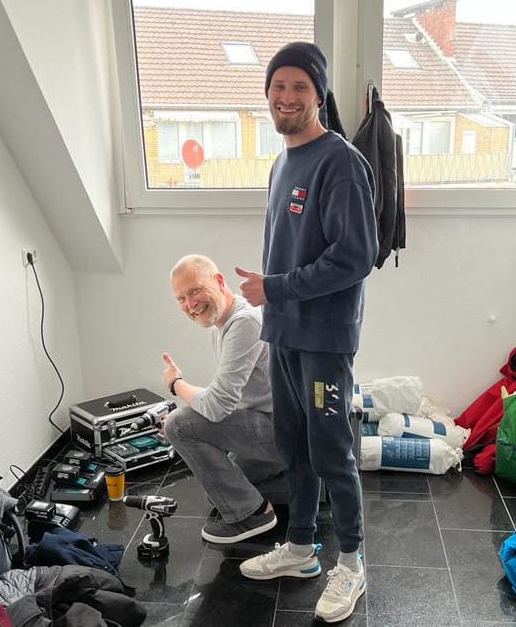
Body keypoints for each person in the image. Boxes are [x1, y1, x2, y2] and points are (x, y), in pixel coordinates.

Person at [234, 41, 379, 624]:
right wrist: (274, 298)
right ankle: (299, 547)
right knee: (292, 445)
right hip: (285, 332)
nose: (287, 97)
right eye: (278, 86)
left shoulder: (340, 162)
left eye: (299, 87)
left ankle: (352, 562)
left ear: (319, 95)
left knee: (330, 450)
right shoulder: (282, 163)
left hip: (323, 337)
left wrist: (275, 287)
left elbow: (355, 257)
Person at [159, 254, 286, 544]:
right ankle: (295, 478)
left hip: (282, 431)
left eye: (194, 291)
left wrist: (175, 384)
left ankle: (253, 515)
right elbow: (228, 397)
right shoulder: (223, 323)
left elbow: (216, 407)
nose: (190, 304)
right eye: (181, 299)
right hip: (272, 423)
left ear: (218, 281)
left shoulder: (244, 323)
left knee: (178, 424)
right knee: (218, 488)